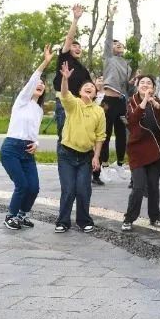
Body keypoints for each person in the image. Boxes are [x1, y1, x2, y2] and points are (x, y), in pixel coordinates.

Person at [1, 44, 53, 230]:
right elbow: (33, 79)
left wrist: (36, 143)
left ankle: (22, 215)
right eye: (38, 83)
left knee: (34, 187)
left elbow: (33, 132)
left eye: (43, 84)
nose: (40, 85)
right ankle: (10, 216)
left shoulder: (39, 110)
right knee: (22, 185)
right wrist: (45, 63)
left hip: (28, 150)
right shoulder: (21, 101)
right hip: (11, 149)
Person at [55, 61, 106, 233]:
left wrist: (96, 157)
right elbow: (64, 94)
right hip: (66, 154)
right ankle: (63, 222)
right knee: (69, 190)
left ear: (95, 93)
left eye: (92, 86)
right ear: (79, 91)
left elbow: (100, 136)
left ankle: (84, 221)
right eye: (86, 86)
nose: (89, 87)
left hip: (86, 156)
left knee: (83, 190)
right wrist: (65, 79)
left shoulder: (99, 111)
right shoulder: (73, 104)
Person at [122, 74, 160, 231]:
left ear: (154, 88)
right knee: (138, 187)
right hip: (137, 151)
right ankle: (129, 219)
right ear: (137, 86)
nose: (145, 85)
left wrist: (155, 104)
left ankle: (155, 217)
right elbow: (132, 120)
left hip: (155, 151)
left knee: (154, 187)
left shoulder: (158, 103)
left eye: (149, 83)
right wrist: (144, 101)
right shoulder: (131, 101)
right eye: (142, 82)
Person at [97, 5, 132, 185]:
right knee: (105, 133)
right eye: (115, 44)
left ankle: (119, 163)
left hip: (120, 102)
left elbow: (126, 86)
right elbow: (108, 39)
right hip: (108, 101)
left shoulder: (127, 65)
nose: (118, 45)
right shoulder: (108, 58)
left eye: (121, 44)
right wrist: (110, 18)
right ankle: (103, 165)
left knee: (122, 134)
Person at [53, 5, 91, 154]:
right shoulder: (64, 58)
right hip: (64, 102)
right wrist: (75, 19)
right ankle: (63, 162)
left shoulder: (83, 70)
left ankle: (75, 160)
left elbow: (90, 87)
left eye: (79, 47)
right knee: (63, 135)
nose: (77, 48)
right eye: (74, 46)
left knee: (76, 134)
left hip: (78, 104)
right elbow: (69, 38)